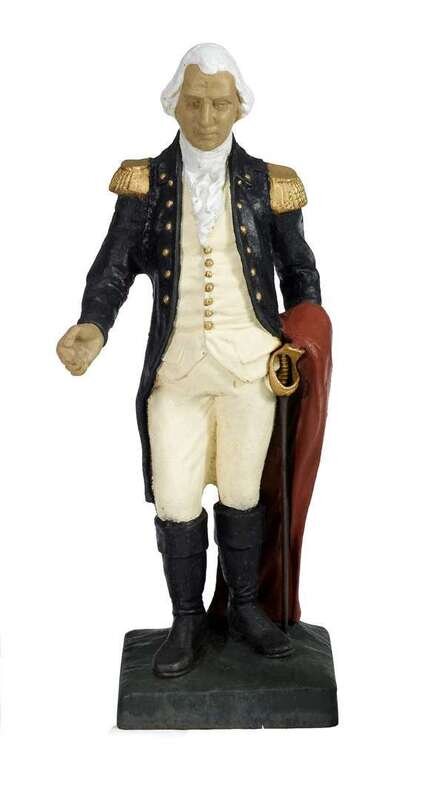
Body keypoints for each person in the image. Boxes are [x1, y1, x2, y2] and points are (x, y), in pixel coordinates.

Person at [57, 43, 322, 678]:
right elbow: (113, 267)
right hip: (175, 372)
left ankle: (247, 610)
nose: (206, 117)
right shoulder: (145, 183)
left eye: (219, 104)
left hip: (251, 370)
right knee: (175, 498)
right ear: (174, 104)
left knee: (242, 492)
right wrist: (93, 325)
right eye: (195, 102)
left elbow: (301, 276)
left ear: (240, 107)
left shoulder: (270, 182)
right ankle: (185, 620)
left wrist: (300, 338)